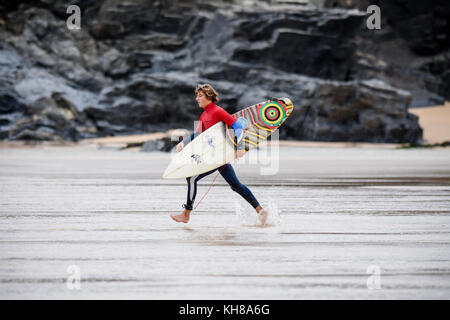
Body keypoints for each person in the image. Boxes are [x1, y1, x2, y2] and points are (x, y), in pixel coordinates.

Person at [170, 84, 268, 226]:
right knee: (235, 185)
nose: (197, 98)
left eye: (200, 96)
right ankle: (261, 211)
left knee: (191, 178)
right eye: (197, 95)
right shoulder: (204, 114)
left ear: (209, 97)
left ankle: (186, 214)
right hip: (216, 155)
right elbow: (197, 133)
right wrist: (183, 143)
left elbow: (237, 126)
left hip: (218, 156)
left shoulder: (217, 111)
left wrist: (239, 147)